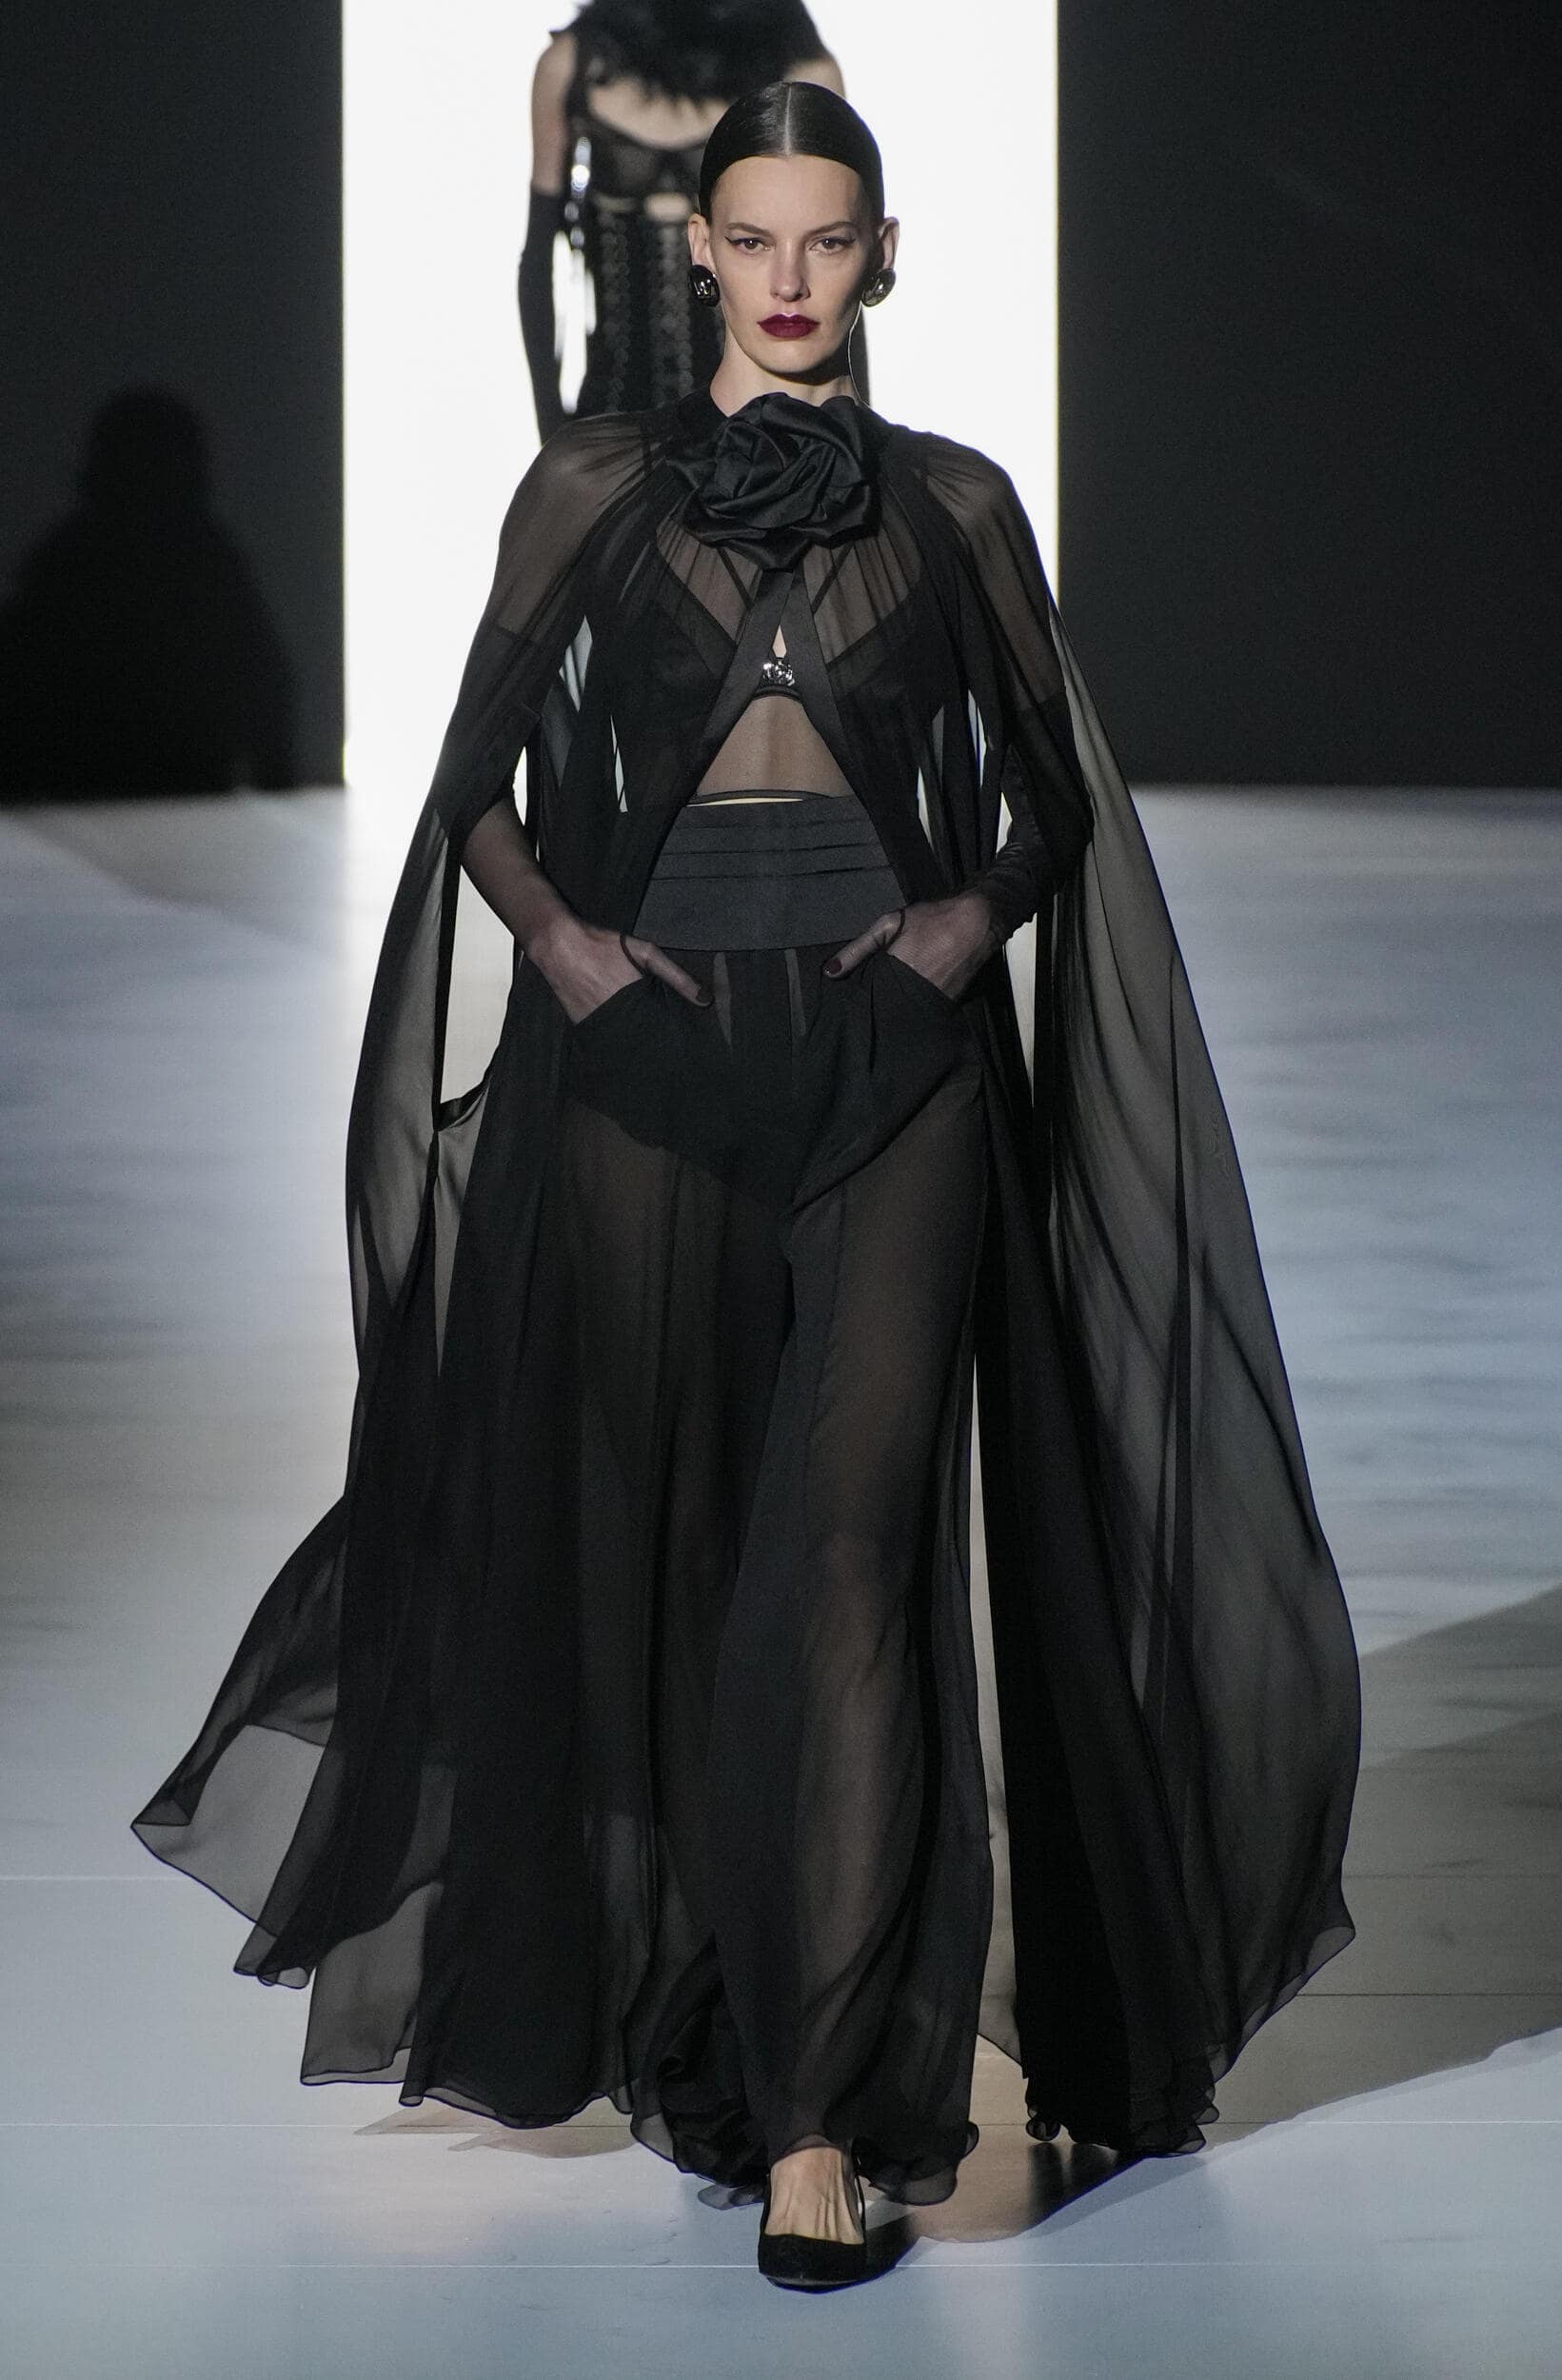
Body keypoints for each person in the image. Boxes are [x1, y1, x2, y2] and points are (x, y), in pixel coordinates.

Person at [133, 85, 1361, 2293]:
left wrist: (956, 927)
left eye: (828, 239)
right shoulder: (587, 489)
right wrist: (569, 949)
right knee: (694, 1567)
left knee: (851, 1565)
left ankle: (816, 2115)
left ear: (883, 255)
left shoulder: (958, 505)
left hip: (895, 1068)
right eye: (755, 238)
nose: (790, 279)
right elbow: (474, 780)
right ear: (697, 248)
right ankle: (716, 2012)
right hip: (649, 1075)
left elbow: (1051, 798)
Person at [519, 0, 860, 435]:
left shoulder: (804, 71)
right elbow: (538, 263)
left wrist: (855, 431)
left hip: (767, 431)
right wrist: (551, 430)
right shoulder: (570, 66)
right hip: (611, 416)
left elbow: (844, 264)